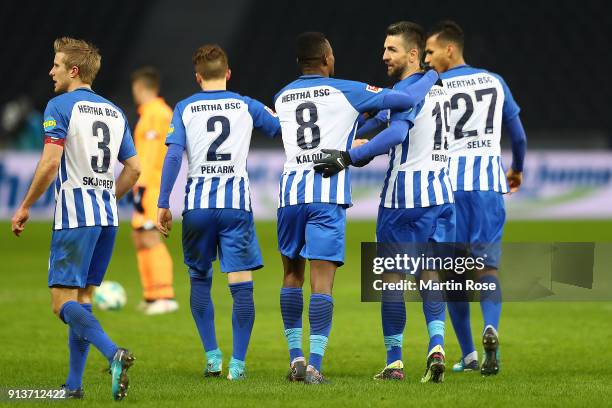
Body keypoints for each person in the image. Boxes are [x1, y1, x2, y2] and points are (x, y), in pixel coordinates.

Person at [276, 31, 440, 384]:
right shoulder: (346, 89)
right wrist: (430, 75)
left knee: (291, 276)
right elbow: (398, 99)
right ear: (326, 59)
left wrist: (355, 131)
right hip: (326, 194)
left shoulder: (283, 95)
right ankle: (315, 365)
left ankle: (295, 359)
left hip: (289, 194)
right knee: (322, 283)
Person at [10, 37, 140, 400]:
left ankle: (113, 352)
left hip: (74, 216)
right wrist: (107, 197)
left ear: (74, 70)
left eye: (56, 65)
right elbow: (134, 169)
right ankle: (74, 385)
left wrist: (24, 206)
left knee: (61, 302)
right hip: (105, 219)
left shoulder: (60, 105)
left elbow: (51, 163)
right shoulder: (115, 112)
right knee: (82, 299)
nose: (50, 71)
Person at [156, 44, 281, 381]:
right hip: (234, 207)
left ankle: (212, 356)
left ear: (198, 77)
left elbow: (173, 156)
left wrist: (163, 202)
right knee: (241, 285)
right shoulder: (246, 105)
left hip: (197, 207)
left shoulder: (184, 107)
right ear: (228, 73)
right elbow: (283, 127)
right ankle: (237, 366)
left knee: (199, 279)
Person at [347, 21, 455, 383]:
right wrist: (352, 133)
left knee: (392, 278)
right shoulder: (439, 90)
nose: (384, 56)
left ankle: (394, 363)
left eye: (391, 49)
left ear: (412, 54)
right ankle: (437, 346)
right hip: (442, 194)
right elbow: (381, 118)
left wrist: (352, 156)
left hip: (404, 198)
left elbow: (396, 131)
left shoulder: (410, 88)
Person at [424, 20, 527, 375]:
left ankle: (468, 354)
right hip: (487, 185)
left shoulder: (433, 85)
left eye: (431, 52)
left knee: (452, 274)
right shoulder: (494, 81)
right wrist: (517, 168)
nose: (426, 60)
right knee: (487, 268)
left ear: (449, 50)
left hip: (447, 187)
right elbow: (518, 135)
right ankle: (491, 326)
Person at [130, 67, 178, 315]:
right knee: (139, 236)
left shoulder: (157, 114)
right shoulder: (151, 113)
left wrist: (143, 186)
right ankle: (151, 294)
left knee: (150, 235)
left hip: (152, 185)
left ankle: (164, 294)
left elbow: (151, 157)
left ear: (140, 87)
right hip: (145, 184)